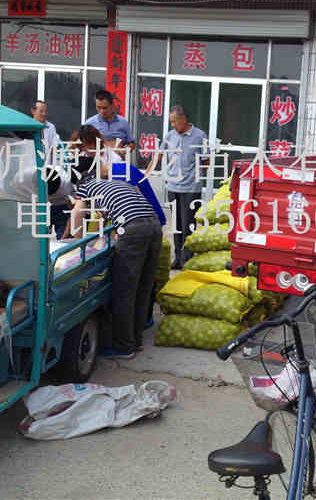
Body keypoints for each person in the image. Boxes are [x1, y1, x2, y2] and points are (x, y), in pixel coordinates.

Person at [65, 125, 162, 359]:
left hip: (134, 230)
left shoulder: (86, 187)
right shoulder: (115, 183)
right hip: (153, 226)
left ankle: (123, 347)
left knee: (124, 290)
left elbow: (78, 213)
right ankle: (135, 340)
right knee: (141, 287)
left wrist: (75, 246)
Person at [157, 104, 209, 269]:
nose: (172, 125)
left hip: (191, 190)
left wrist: (195, 177)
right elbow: (159, 155)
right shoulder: (170, 136)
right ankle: (177, 258)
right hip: (173, 187)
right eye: (171, 122)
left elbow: (206, 161)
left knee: (188, 225)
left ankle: (187, 259)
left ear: (184, 119)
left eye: (174, 121)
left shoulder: (200, 136)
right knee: (176, 225)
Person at [31, 99, 68, 238]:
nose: (44, 114)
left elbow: (54, 148)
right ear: (33, 111)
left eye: (45, 111)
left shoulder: (50, 127)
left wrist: (55, 167)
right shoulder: (27, 126)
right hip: (33, 170)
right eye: (41, 111)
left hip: (48, 169)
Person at [85, 89, 136, 155]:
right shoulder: (90, 123)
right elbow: (82, 145)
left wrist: (125, 151)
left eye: (105, 108)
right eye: (98, 107)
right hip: (97, 159)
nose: (102, 111)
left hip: (118, 159)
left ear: (112, 105)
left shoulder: (123, 122)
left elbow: (131, 143)